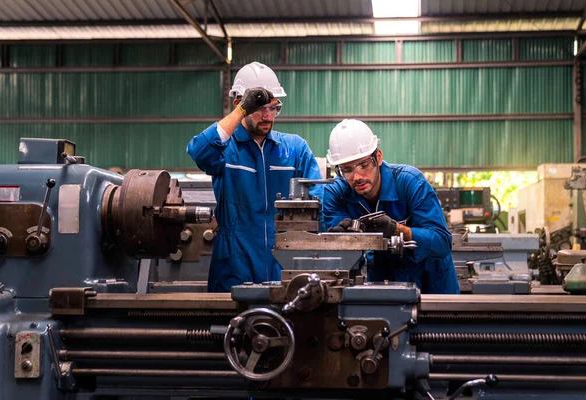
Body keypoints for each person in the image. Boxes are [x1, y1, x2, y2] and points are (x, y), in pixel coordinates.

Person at [186, 62, 322, 292]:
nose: (267, 116)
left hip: (285, 267)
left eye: (273, 108)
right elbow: (199, 152)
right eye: (259, 108)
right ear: (241, 104)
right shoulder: (226, 150)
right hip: (234, 266)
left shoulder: (294, 149)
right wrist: (240, 112)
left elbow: (320, 202)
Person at [322, 119, 459, 294]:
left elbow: (442, 242)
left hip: (432, 283)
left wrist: (398, 230)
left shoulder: (410, 182)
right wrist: (343, 240)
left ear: (378, 157)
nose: (357, 177)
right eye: (347, 170)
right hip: (382, 280)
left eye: (364, 165)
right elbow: (340, 257)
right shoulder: (336, 194)